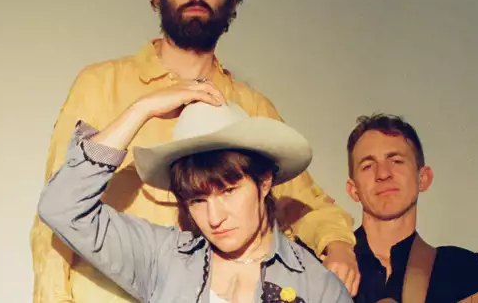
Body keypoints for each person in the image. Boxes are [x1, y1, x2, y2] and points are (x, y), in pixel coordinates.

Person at [30, 0, 358, 303]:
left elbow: (305, 202)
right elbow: (55, 216)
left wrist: (337, 244)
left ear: (233, 2)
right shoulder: (101, 85)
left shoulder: (250, 107)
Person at [36, 85, 354, 303]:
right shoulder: (164, 257)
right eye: (198, 200)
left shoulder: (316, 286)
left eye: (229, 192)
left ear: (265, 181)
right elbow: (61, 207)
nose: (214, 218)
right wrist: (142, 109)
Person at [345, 114, 478, 303]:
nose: (383, 174)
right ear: (353, 190)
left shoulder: (461, 270)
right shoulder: (323, 265)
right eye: (367, 166)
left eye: (396, 161)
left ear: (423, 178)